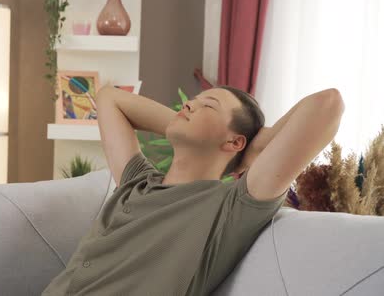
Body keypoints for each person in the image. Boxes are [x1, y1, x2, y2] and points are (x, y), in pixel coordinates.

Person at [41, 84, 345, 295]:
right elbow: (108, 98)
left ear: (234, 141)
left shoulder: (231, 207)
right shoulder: (136, 181)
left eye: (208, 106)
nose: (188, 104)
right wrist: (197, 129)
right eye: (192, 101)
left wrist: (258, 144)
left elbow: (328, 104)